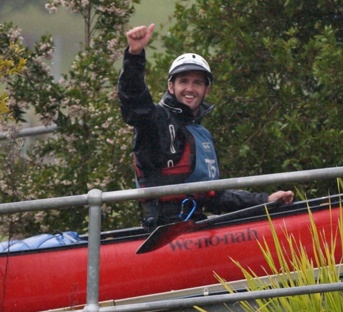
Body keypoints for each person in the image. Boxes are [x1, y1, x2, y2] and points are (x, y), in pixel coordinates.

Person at [118, 24, 294, 230]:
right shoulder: (155, 121)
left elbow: (216, 196)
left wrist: (265, 200)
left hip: (195, 222)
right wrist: (134, 55)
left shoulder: (201, 134)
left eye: (197, 83)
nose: (190, 89)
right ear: (171, 87)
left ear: (206, 90)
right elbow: (134, 102)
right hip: (163, 229)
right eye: (183, 81)